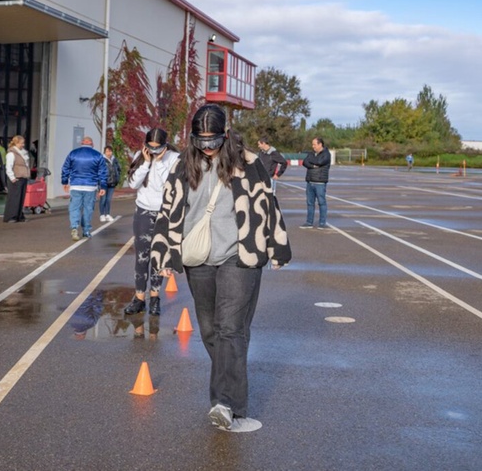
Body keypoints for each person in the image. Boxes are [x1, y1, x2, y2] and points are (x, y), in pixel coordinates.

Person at [150, 104, 291, 430]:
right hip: (198, 258)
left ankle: (225, 403)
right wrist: (164, 254)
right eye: (201, 141)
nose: (208, 147)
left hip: (239, 256)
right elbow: (168, 210)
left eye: (213, 141)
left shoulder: (249, 163)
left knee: (230, 327)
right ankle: (232, 377)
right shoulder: (183, 165)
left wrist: (277, 248)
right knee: (211, 330)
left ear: (225, 135)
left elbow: (267, 205)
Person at [123, 128, 180, 317]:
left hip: (164, 213)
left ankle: (155, 298)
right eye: (151, 147)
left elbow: (170, 185)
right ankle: (139, 298)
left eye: (158, 148)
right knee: (142, 256)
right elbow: (133, 184)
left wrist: (160, 162)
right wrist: (147, 163)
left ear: (165, 145)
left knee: (159, 257)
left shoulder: (174, 158)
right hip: (143, 211)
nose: (154, 151)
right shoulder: (140, 156)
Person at [61, 136, 108, 240]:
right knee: (88, 209)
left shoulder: (73, 153)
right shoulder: (97, 155)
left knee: (74, 207)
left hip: (75, 185)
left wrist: (65, 181)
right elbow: (102, 172)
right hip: (90, 186)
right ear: (92, 144)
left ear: (82, 143)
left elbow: (65, 168)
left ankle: (74, 227)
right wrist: (103, 186)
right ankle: (86, 230)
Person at [300, 137, 330, 229]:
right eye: (312, 144)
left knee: (321, 203)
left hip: (320, 182)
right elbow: (304, 162)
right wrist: (313, 166)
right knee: (310, 203)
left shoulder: (326, 154)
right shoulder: (311, 153)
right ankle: (309, 222)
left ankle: (322, 223)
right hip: (310, 181)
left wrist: (311, 161)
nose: (313, 146)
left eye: (314, 144)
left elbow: (320, 162)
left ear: (320, 144)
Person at [2, 135, 31, 223]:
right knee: (14, 198)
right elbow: (8, 167)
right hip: (16, 178)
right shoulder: (11, 154)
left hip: (23, 177)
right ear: (16, 143)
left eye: (23, 143)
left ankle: (19, 216)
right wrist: (12, 178)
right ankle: (11, 217)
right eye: (21, 143)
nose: (23, 145)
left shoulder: (23, 153)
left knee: (21, 198)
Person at [99, 145, 121, 223]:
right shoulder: (101, 160)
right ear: (104, 152)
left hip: (112, 183)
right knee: (103, 199)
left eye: (110, 151)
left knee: (108, 199)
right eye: (107, 151)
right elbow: (99, 171)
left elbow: (118, 169)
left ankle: (107, 214)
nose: (109, 153)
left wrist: (117, 178)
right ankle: (102, 215)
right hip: (103, 183)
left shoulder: (114, 160)